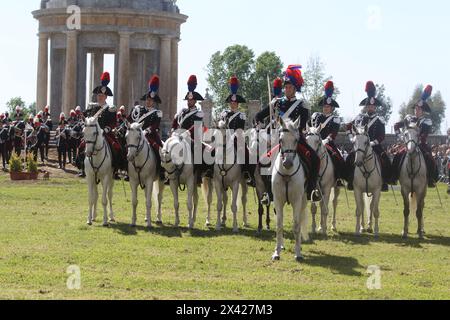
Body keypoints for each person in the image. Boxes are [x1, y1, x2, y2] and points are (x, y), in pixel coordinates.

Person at [254, 65, 322, 203]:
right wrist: (261, 128)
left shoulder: (302, 104)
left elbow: (303, 124)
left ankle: (311, 190)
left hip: (296, 139)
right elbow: (258, 116)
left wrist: (294, 131)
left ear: (295, 89)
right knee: (263, 161)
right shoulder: (276, 103)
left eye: (290, 87)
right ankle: (269, 194)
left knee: (315, 159)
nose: (287, 89)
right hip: (280, 140)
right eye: (285, 87)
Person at [345, 81, 391, 192]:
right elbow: (347, 126)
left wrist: (373, 143)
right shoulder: (359, 118)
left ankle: (384, 182)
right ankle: (350, 180)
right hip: (360, 145)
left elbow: (382, 136)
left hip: (374, 146)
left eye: (373, 106)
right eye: (369, 105)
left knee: (385, 159)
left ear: (375, 107)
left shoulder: (379, 120)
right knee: (350, 158)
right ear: (366, 106)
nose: (371, 107)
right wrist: (351, 137)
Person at [392, 85, 438, 188]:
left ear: (423, 111)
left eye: (419, 109)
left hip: (421, 144)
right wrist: (399, 136)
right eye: (416, 108)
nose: (417, 111)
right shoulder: (408, 118)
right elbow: (396, 126)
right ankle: (394, 177)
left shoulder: (427, 121)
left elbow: (425, 135)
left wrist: (417, 140)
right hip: (409, 144)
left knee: (430, 159)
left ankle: (431, 179)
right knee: (397, 156)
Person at [86, 71, 127, 178]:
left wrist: (106, 129)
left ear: (106, 97)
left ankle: (115, 167)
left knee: (117, 147)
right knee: (82, 145)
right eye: (99, 95)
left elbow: (113, 122)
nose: (100, 97)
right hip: (93, 133)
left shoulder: (110, 109)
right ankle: (82, 166)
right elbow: (85, 117)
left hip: (105, 133)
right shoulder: (92, 107)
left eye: (102, 95)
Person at [171, 75, 212, 181]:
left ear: (195, 101)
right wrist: (173, 130)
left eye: (191, 100)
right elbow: (175, 121)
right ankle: (168, 172)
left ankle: (200, 172)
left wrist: (186, 133)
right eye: (188, 100)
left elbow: (196, 126)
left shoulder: (199, 113)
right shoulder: (182, 111)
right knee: (167, 149)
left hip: (193, 137)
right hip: (179, 136)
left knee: (200, 150)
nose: (189, 102)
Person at [219, 76, 255, 186]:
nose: (232, 104)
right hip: (225, 137)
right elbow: (221, 124)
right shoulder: (224, 113)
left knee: (246, 153)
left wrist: (233, 136)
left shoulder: (241, 115)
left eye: (234, 103)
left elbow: (240, 129)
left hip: (237, 138)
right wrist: (221, 123)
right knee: (212, 150)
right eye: (231, 102)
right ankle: (210, 171)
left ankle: (247, 173)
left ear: (237, 104)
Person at [128, 75, 166, 180]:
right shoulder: (138, 110)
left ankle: (161, 171)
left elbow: (155, 126)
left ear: (153, 102)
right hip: (137, 134)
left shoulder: (157, 113)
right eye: (147, 99)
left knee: (159, 149)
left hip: (151, 135)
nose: (148, 101)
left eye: (151, 100)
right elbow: (130, 119)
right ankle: (126, 169)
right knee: (128, 145)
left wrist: (146, 131)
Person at [308, 81, 345, 186]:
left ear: (332, 108)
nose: (326, 108)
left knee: (337, 157)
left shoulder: (335, 119)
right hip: (314, 140)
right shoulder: (316, 116)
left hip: (327, 142)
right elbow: (308, 126)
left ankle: (338, 178)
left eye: (328, 107)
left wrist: (326, 140)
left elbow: (334, 133)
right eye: (324, 106)